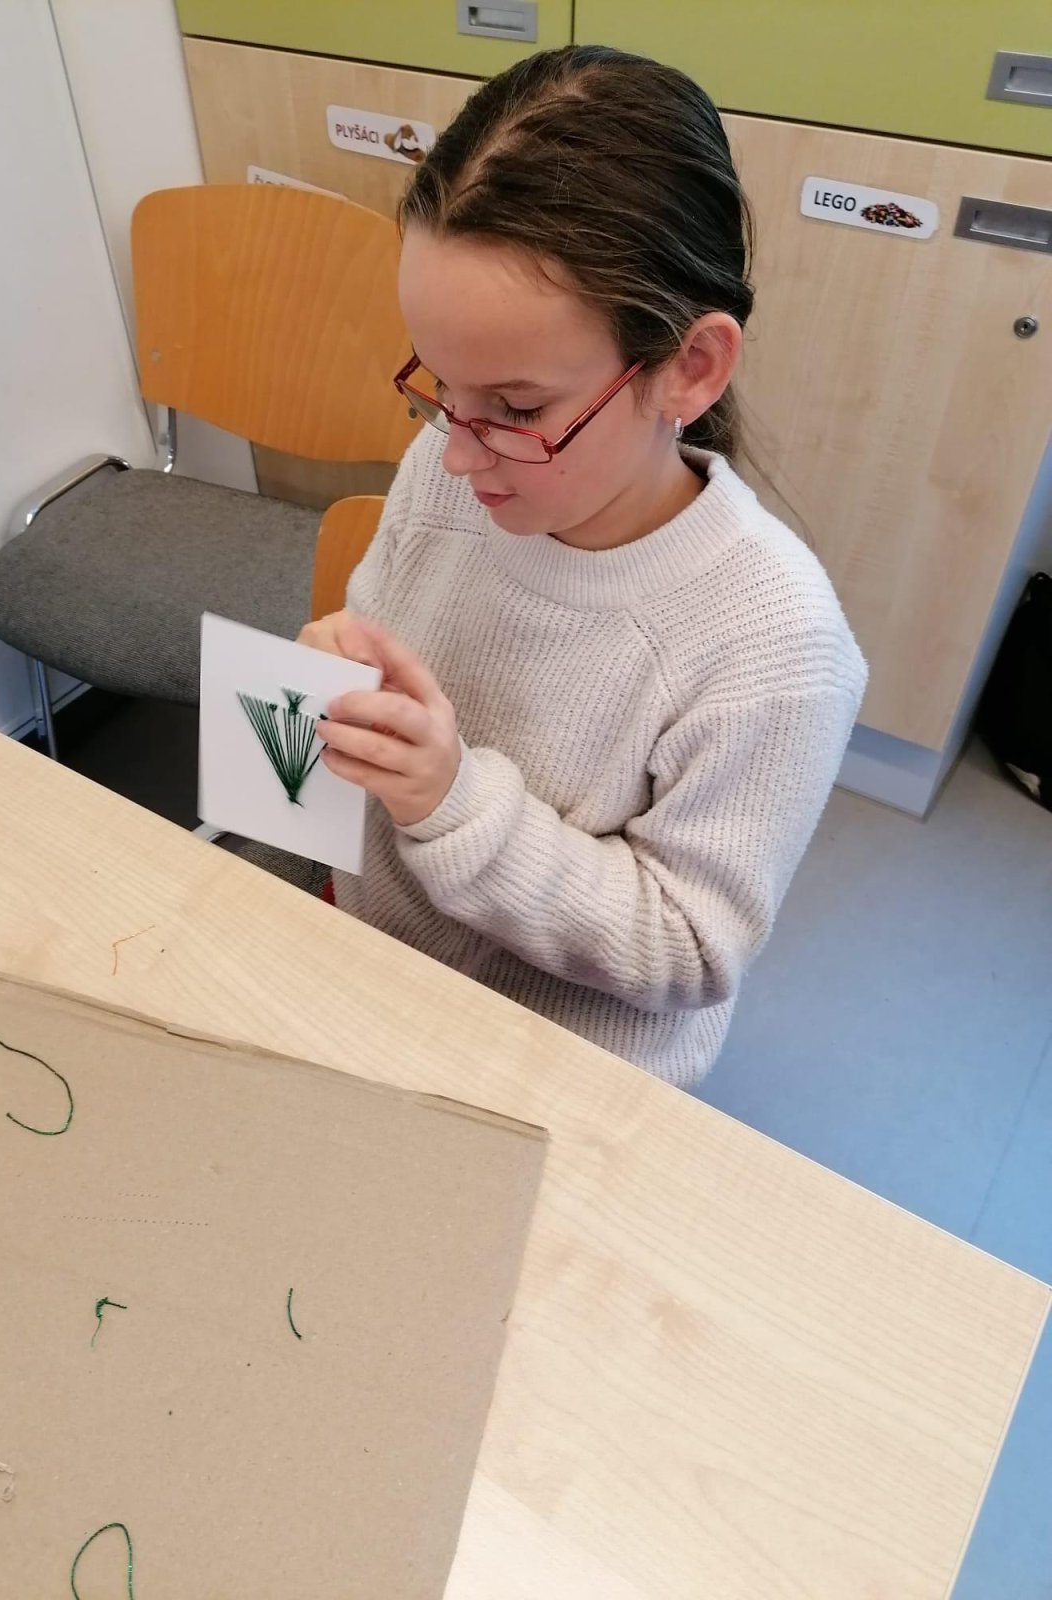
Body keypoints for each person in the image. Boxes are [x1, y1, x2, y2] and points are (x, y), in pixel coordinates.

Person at [300, 44, 867, 1087]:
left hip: (556, 1066)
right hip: (374, 966)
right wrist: (341, 683)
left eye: (517, 408)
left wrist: (453, 802)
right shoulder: (458, 465)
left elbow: (689, 949)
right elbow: (382, 654)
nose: (457, 452)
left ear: (689, 368)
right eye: (441, 388)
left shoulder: (775, 643)